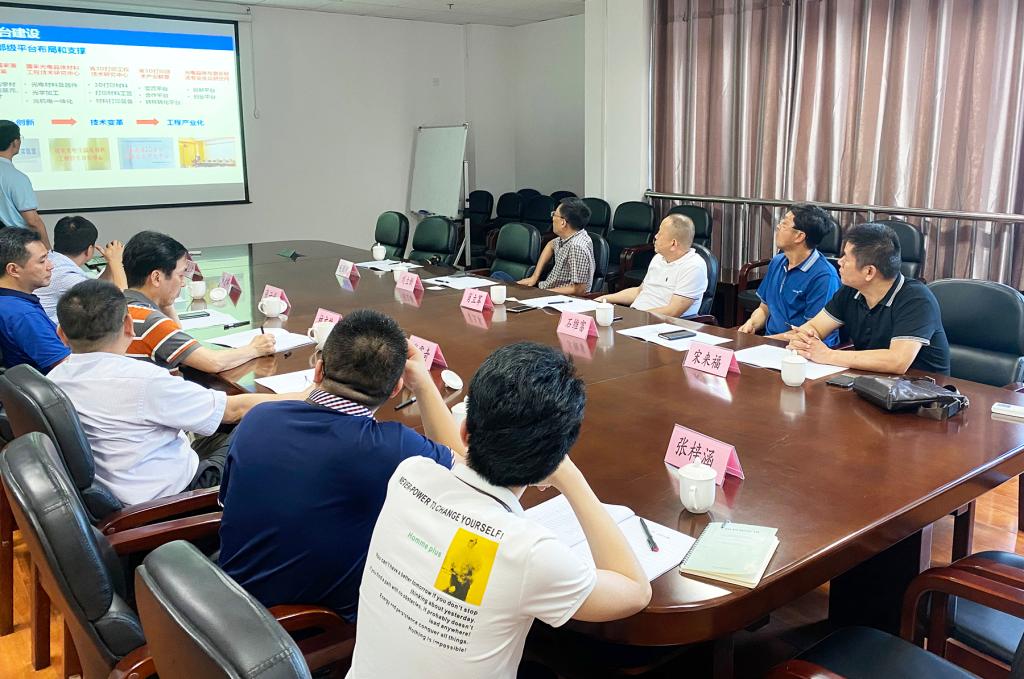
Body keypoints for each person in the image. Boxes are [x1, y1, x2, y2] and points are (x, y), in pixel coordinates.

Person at [347, 342, 652, 679]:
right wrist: (571, 478)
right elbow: (634, 590)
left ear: (465, 430)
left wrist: (422, 384)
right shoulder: (529, 552)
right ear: (551, 460)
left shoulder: (409, 475)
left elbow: (458, 457)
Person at [218, 309, 465, 621]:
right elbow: (468, 478)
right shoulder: (395, 448)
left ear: (318, 370)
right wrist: (424, 384)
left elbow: (227, 504)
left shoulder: (259, 417)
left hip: (228, 601)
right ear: (395, 390)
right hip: (307, 627)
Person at [49, 280, 307, 505]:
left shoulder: (54, 379)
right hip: (177, 497)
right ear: (129, 325)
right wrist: (308, 394)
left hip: (126, 488)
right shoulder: (144, 381)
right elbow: (235, 410)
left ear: (62, 335)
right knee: (259, 424)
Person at [788, 222, 950, 374]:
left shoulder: (916, 299)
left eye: (846, 258)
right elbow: (815, 328)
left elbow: (897, 361)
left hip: (921, 389)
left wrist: (827, 355)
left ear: (869, 272)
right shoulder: (850, 291)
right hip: (870, 382)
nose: (839, 262)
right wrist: (803, 340)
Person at [122, 230, 275, 372]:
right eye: (180, 275)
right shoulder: (151, 322)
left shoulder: (120, 308)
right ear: (157, 277)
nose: (183, 283)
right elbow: (213, 362)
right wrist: (254, 349)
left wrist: (167, 304)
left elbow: (174, 339)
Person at [738, 204, 841, 345]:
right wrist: (751, 324)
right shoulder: (777, 262)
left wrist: (763, 341)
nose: (778, 227)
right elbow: (765, 308)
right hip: (772, 343)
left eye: (784, 224)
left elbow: (811, 333)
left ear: (799, 236)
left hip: (805, 349)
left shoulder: (824, 277)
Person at [596, 213, 707, 317]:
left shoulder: (693, 266)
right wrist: (605, 298)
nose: (656, 236)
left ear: (673, 243)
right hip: (640, 317)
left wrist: (635, 317)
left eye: (660, 233)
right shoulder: (658, 258)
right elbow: (639, 291)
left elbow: (673, 311)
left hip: (663, 324)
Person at [0, 228, 69, 373]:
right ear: (13, 270)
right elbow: (67, 368)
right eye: (42, 261)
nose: (50, 266)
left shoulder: (9, 303)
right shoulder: (22, 314)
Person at [34, 215, 128, 322]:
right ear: (89, 250)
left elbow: (96, 287)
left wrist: (110, 264)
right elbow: (123, 302)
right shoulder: (68, 277)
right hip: (50, 329)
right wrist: (116, 262)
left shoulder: (51, 259)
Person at [517, 198, 595, 295]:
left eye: (554, 214)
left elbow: (579, 289)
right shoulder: (571, 236)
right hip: (546, 290)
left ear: (563, 222)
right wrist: (534, 277)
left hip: (560, 298)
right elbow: (551, 245)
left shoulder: (576, 246)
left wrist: (541, 293)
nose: (552, 218)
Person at [0, 120, 49, 248]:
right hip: (13, 246)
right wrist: (48, 251)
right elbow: (33, 221)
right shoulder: (16, 177)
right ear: (15, 142)